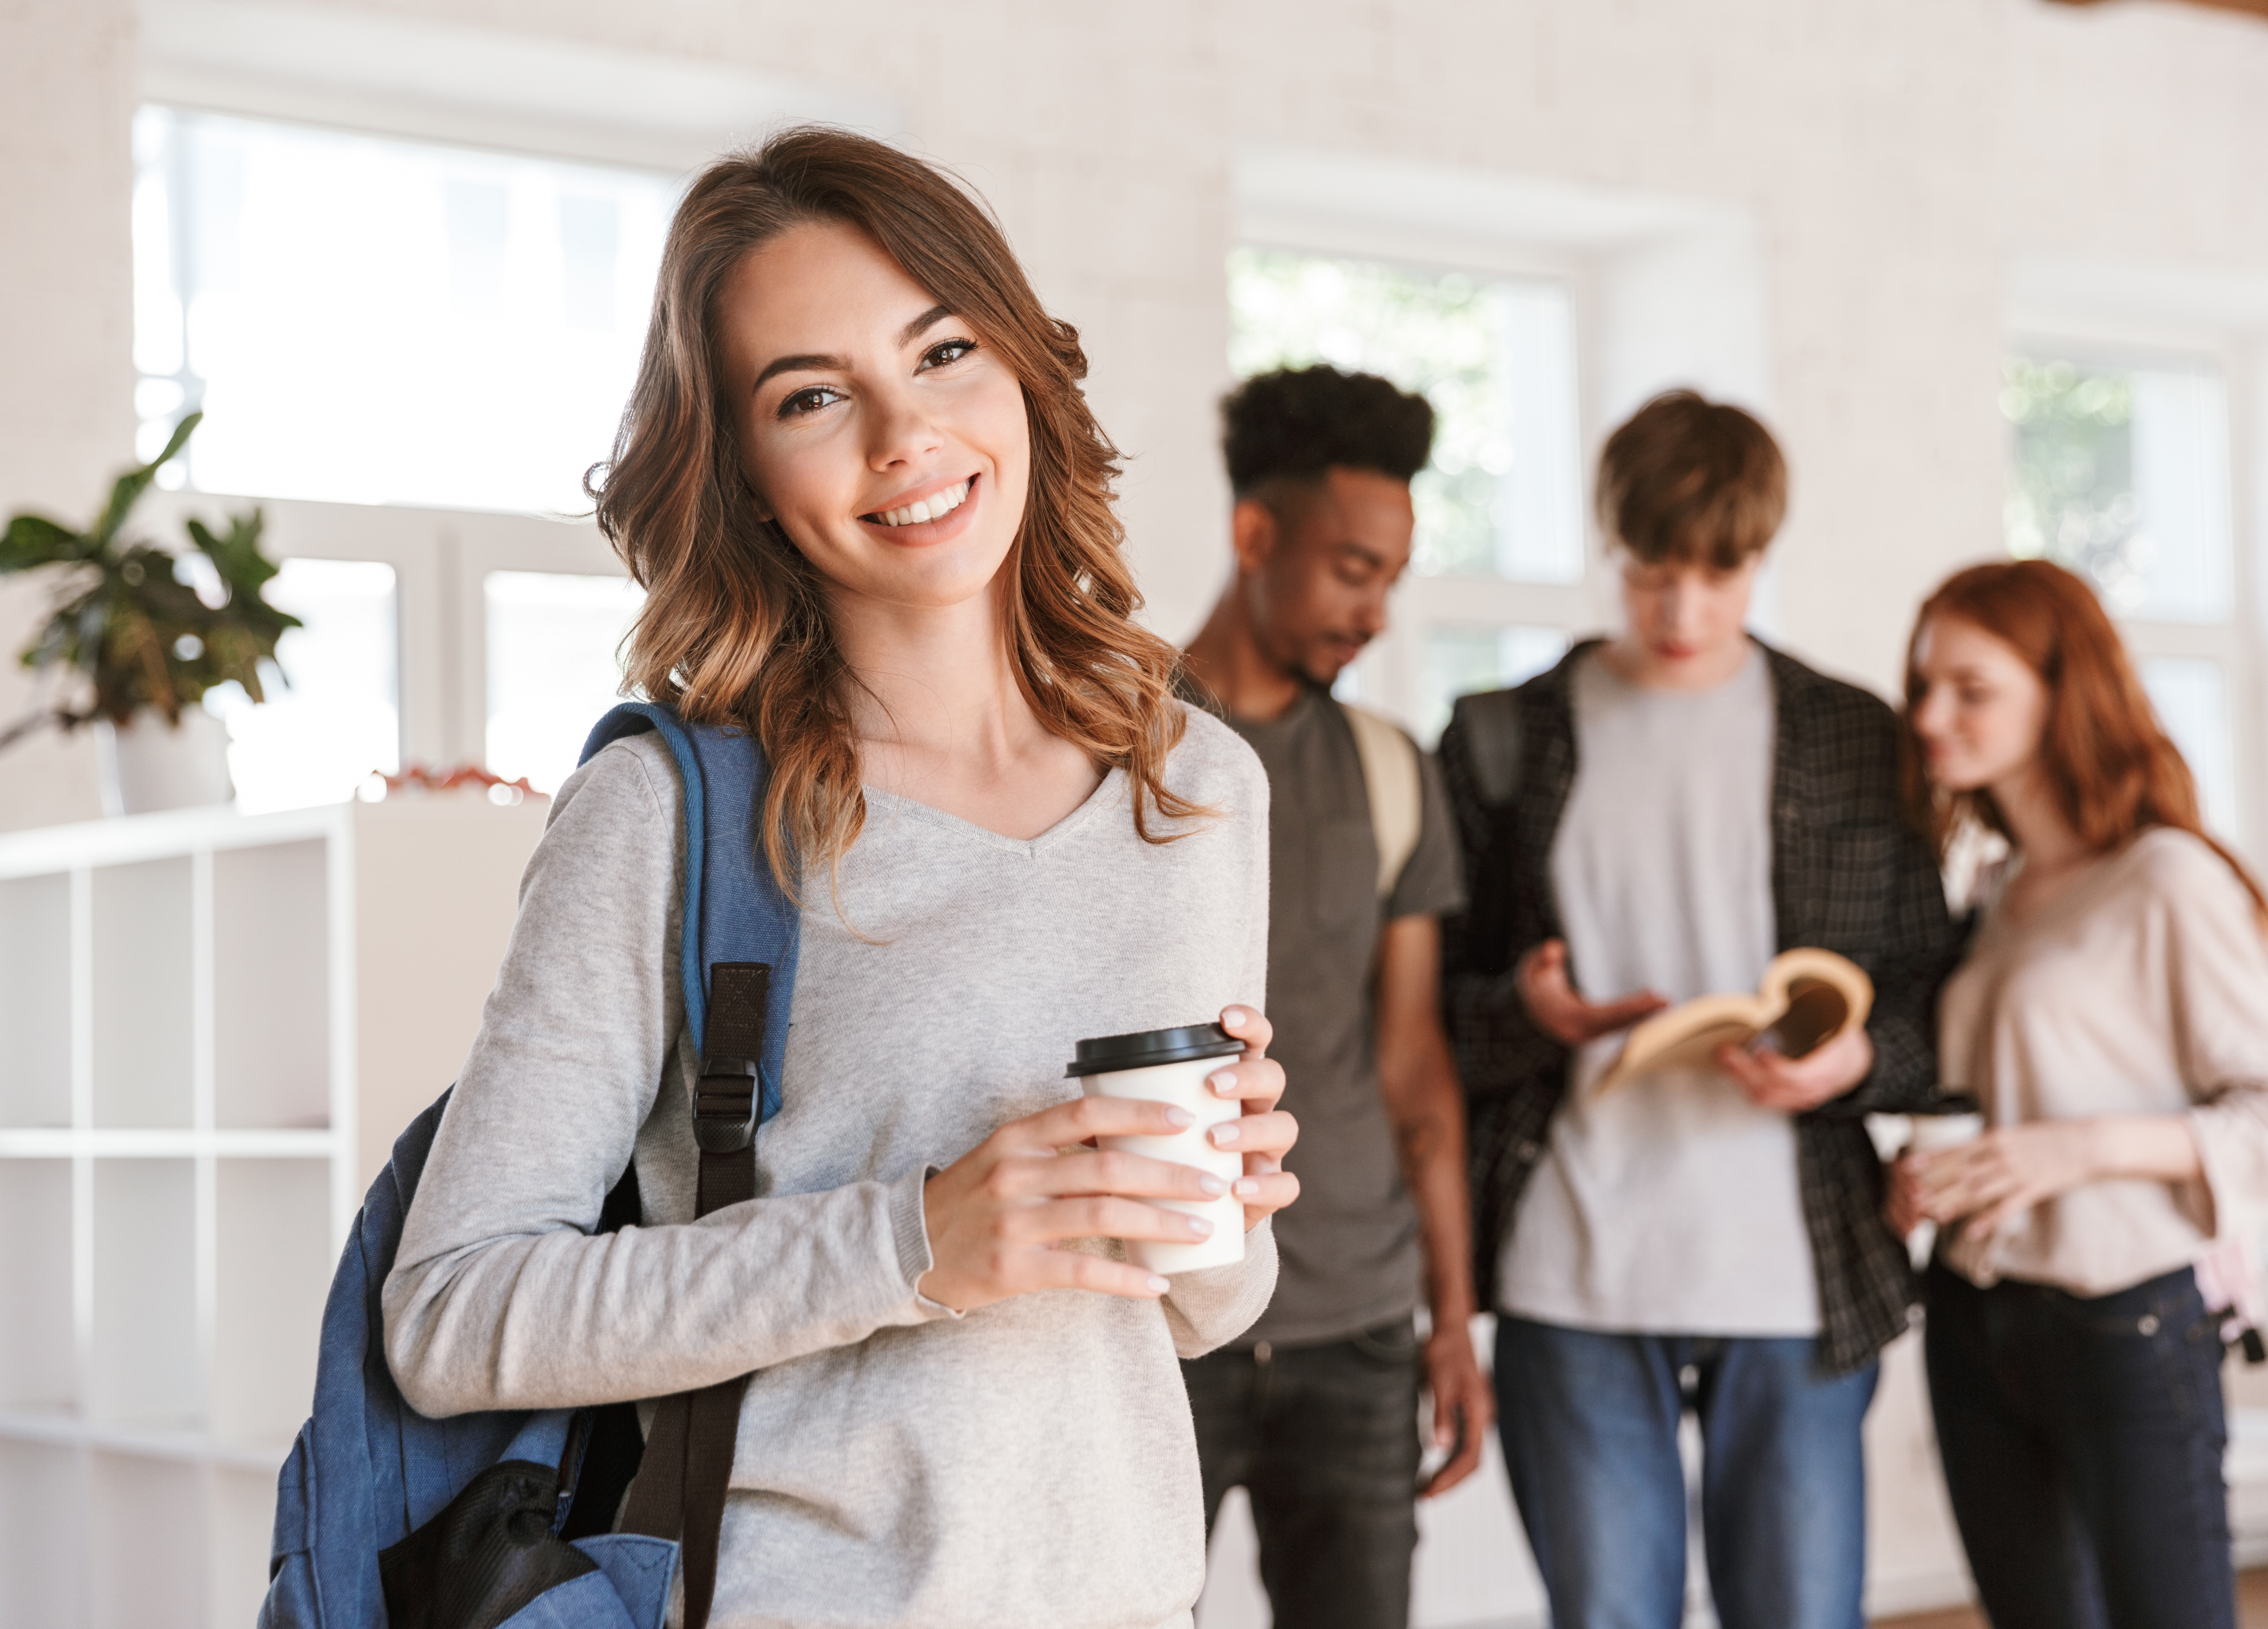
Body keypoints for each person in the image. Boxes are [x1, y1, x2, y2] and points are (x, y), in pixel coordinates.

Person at [380, 127, 1301, 1629]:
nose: (904, 435)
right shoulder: (672, 816)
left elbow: (1200, 1312)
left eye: (941, 352)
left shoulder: (1196, 787)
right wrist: (915, 1242)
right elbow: (453, 1314)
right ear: (738, 469)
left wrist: (1226, 1206)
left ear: (1020, 368)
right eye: (813, 395)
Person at [1438, 389, 1956, 1629]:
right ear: (1609, 545)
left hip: (1800, 1277)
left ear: (1761, 554)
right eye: (1650, 572)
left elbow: (1943, 1003)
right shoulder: (1505, 736)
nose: (1683, 612)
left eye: (1720, 576)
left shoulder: (1853, 738)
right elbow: (1424, 1020)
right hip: (1574, 1267)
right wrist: (1528, 1011)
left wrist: (1850, 1066)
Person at [1888, 559, 2268, 1629]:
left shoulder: (2167, 879)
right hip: (1972, 1322)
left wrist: (2077, 1149)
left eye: (1970, 688)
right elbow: (1993, 1093)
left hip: (2125, 1328)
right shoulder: (1997, 892)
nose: (1929, 717)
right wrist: (1924, 1179)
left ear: (2061, 692)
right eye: (1921, 687)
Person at [1174, 364, 1491, 1628]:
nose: (1376, 613)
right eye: (1353, 568)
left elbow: (1411, 1067)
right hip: (1160, 1326)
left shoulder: (1389, 770)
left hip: (1359, 1327)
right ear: (1257, 533)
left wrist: (1452, 1320)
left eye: (1393, 580)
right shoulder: (1104, 741)